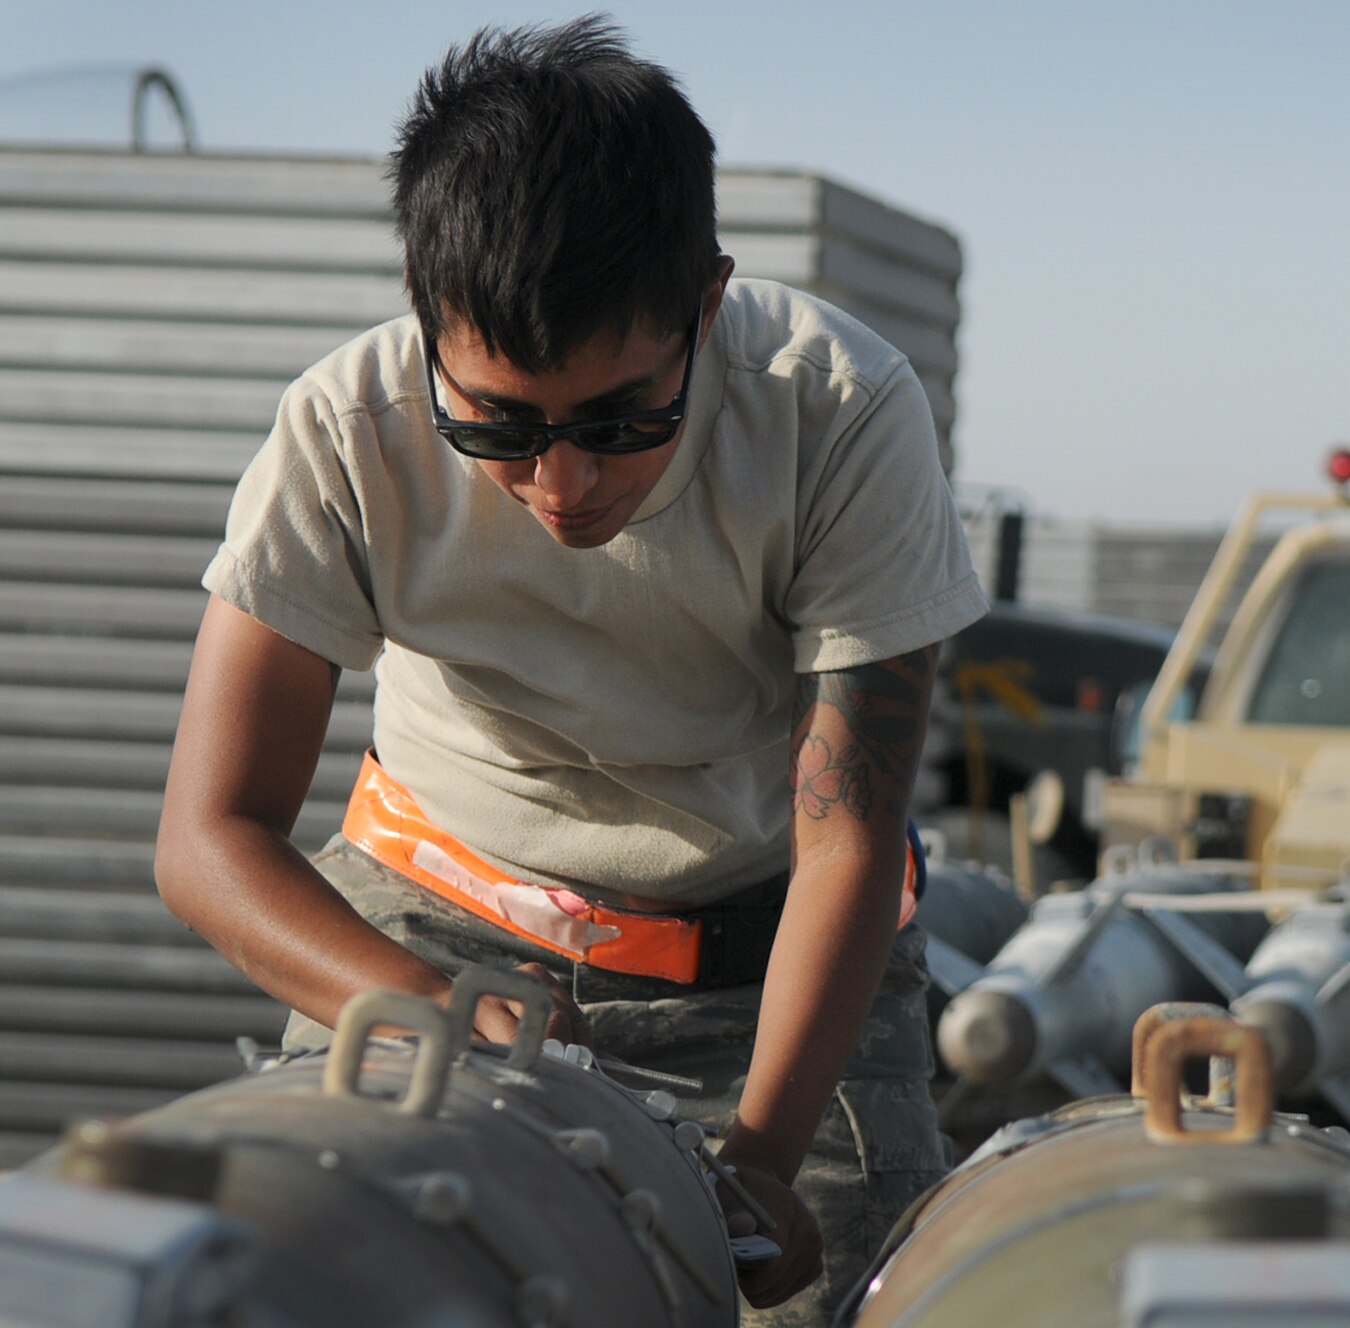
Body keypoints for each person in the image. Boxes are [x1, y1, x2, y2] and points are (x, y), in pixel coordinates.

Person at [153, 19, 987, 1326]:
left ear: (706, 308)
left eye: (620, 421)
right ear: (429, 326)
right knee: (330, 1272)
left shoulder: (837, 412)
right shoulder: (345, 430)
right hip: (433, 933)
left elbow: (848, 838)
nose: (563, 484)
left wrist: (763, 1163)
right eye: (497, 424)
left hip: (769, 973)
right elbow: (210, 839)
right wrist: (432, 1005)